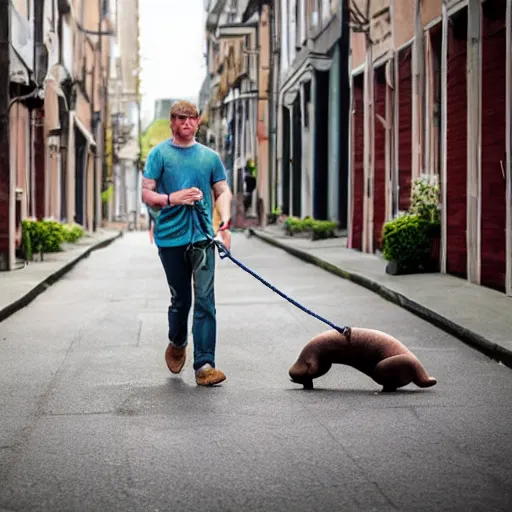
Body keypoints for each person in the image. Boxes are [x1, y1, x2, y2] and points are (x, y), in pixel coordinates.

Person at [141, 100, 233, 386]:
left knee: (206, 300)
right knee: (181, 301)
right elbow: (147, 193)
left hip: (203, 237)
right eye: (181, 118)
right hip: (170, 238)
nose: (187, 123)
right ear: (172, 121)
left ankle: (205, 364)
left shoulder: (209, 157)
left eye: (191, 118)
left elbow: (222, 190)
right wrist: (172, 198)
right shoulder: (159, 154)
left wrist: (226, 222)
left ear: (198, 121)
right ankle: (178, 342)